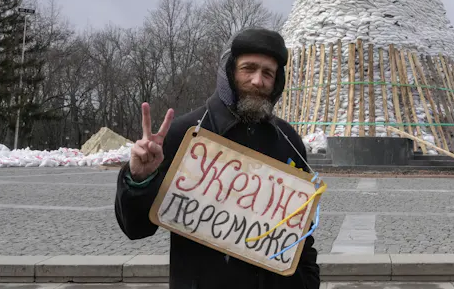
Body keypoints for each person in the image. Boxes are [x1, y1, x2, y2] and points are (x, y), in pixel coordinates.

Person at [114, 28, 320, 289]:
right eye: (249, 68)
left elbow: (301, 233)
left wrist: (309, 282)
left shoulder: (287, 140)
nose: (258, 80)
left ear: (277, 81)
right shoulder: (186, 132)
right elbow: (136, 228)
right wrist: (139, 180)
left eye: (268, 73)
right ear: (231, 71)